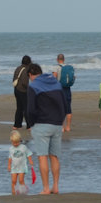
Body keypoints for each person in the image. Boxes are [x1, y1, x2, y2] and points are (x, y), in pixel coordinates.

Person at [25, 63, 66, 194]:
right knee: (54, 156)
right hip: (57, 123)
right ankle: (56, 186)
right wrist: (61, 120)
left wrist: (30, 124)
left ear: (31, 75)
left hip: (42, 124)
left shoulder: (33, 86)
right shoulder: (55, 83)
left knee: (42, 157)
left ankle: (46, 188)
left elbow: (30, 109)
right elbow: (64, 103)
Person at [7, 129, 32, 195]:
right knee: (13, 181)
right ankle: (13, 192)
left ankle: (24, 191)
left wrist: (30, 161)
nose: (15, 144)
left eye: (17, 142)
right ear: (11, 141)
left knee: (21, 180)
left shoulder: (23, 147)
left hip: (22, 167)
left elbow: (28, 154)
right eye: (14, 143)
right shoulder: (11, 149)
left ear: (20, 140)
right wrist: (9, 165)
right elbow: (10, 158)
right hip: (14, 168)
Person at [56, 53, 75, 133]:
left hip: (60, 89)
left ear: (57, 59)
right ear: (64, 59)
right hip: (68, 89)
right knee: (68, 109)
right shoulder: (68, 67)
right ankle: (68, 127)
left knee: (60, 109)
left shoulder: (56, 67)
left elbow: (54, 78)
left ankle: (62, 127)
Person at [12, 55, 33, 129]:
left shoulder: (18, 68)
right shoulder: (26, 69)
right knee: (26, 108)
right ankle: (29, 125)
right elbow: (24, 83)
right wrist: (29, 89)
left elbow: (14, 79)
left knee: (19, 108)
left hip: (16, 90)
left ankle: (16, 125)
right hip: (23, 91)